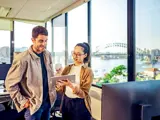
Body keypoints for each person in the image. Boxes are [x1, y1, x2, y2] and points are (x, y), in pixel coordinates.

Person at [5, 26, 56, 120]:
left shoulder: (47, 54)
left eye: (46, 41)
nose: (44, 44)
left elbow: (48, 75)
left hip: (48, 103)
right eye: (41, 41)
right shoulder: (22, 58)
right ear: (33, 40)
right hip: (33, 105)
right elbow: (9, 83)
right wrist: (23, 101)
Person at [56, 42, 93, 120]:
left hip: (80, 104)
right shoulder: (67, 68)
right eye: (74, 53)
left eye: (79, 54)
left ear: (85, 55)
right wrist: (59, 83)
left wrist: (71, 86)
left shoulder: (88, 71)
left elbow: (84, 94)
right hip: (66, 101)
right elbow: (60, 88)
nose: (75, 56)